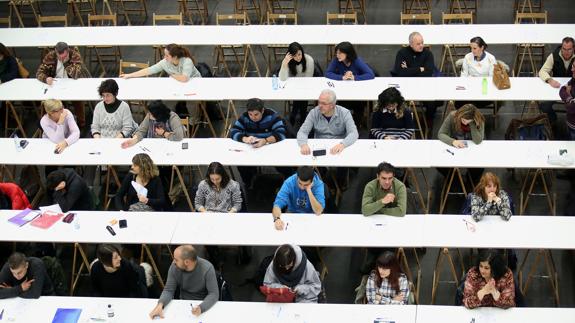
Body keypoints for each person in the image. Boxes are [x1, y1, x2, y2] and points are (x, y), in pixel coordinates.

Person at [229, 98, 290, 187]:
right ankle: (249, 184)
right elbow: (234, 131)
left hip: (271, 147)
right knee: (242, 165)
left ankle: (288, 185)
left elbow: (281, 133)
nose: (253, 117)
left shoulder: (272, 115)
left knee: (285, 166)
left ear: (262, 110)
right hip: (251, 149)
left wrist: (265, 141)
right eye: (250, 114)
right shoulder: (245, 117)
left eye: (256, 114)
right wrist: (245, 139)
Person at [149, 245, 218, 319]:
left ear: (187, 262)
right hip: (182, 303)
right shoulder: (174, 267)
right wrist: (160, 305)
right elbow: (168, 290)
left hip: (203, 303)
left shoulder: (207, 268)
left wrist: (201, 308)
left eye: (176, 259)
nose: (174, 261)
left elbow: (213, 294)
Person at [391, 32, 439, 129]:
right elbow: (400, 72)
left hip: (424, 85)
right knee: (394, 99)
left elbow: (428, 73)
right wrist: (419, 68)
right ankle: (398, 122)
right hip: (405, 85)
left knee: (432, 102)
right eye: (418, 44)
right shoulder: (402, 53)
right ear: (411, 44)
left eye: (422, 42)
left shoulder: (428, 54)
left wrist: (408, 69)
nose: (421, 45)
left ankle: (428, 123)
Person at [36, 42, 90, 127]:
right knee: (48, 101)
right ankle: (48, 124)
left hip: (72, 83)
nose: (61, 58)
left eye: (64, 56)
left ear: (68, 51)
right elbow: (39, 72)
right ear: (55, 52)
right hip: (56, 84)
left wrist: (66, 62)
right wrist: (46, 79)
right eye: (59, 56)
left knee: (78, 99)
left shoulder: (75, 55)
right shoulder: (51, 56)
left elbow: (76, 74)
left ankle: (81, 123)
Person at [297, 89, 358, 155]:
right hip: (319, 146)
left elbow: (354, 133)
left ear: (332, 105)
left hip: (338, 146)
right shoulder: (313, 113)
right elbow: (302, 132)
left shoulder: (344, 113)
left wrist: (342, 144)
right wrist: (303, 145)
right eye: (319, 102)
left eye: (323, 103)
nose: (320, 106)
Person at [437, 104, 485, 185]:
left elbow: (478, 140)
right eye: (463, 120)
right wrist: (453, 141)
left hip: (471, 150)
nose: (465, 123)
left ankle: (470, 184)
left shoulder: (479, 119)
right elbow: (441, 133)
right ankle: (456, 181)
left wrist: (472, 124)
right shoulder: (452, 116)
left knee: (479, 167)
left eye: (467, 121)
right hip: (455, 149)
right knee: (440, 164)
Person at [272, 166, 325, 230]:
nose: (302, 187)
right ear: (297, 177)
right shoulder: (289, 182)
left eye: (306, 185)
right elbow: (277, 205)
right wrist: (277, 219)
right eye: (300, 183)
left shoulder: (318, 184)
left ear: (312, 181)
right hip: (292, 212)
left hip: (311, 214)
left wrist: (309, 190)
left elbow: (318, 211)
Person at [539, 37, 575, 125]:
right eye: (564, 49)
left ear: (573, 48)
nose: (566, 52)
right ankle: (553, 118)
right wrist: (550, 80)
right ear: (561, 47)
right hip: (556, 88)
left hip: (573, 87)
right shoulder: (553, 56)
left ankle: (572, 121)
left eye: (569, 49)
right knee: (544, 105)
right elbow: (542, 71)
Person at [120, 43, 201, 82]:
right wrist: (130, 75)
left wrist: (172, 75)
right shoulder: (165, 62)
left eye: (166, 55)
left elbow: (184, 78)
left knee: (193, 103)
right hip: (179, 83)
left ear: (175, 57)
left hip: (195, 82)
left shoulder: (187, 61)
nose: (164, 57)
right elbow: (149, 70)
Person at [279, 42, 315, 126]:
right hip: (293, 88)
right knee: (300, 100)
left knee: (300, 99)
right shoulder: (288, 61)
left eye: (299, 54)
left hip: (306, 87)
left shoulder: (309, 60)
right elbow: (282, 78)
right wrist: (284, 64)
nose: (298, 58)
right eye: (294, 56)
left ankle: (294, 114)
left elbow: (308, 79)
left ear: (302, 52)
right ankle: (301, 116)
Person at [559, 61, 575, 140]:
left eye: (574, 67)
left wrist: (568, 96)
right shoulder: (573, 79)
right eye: (573, 66)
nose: (572, 69)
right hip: (570, 122)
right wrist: (570, 99)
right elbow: (562, 89)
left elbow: (571, 108)